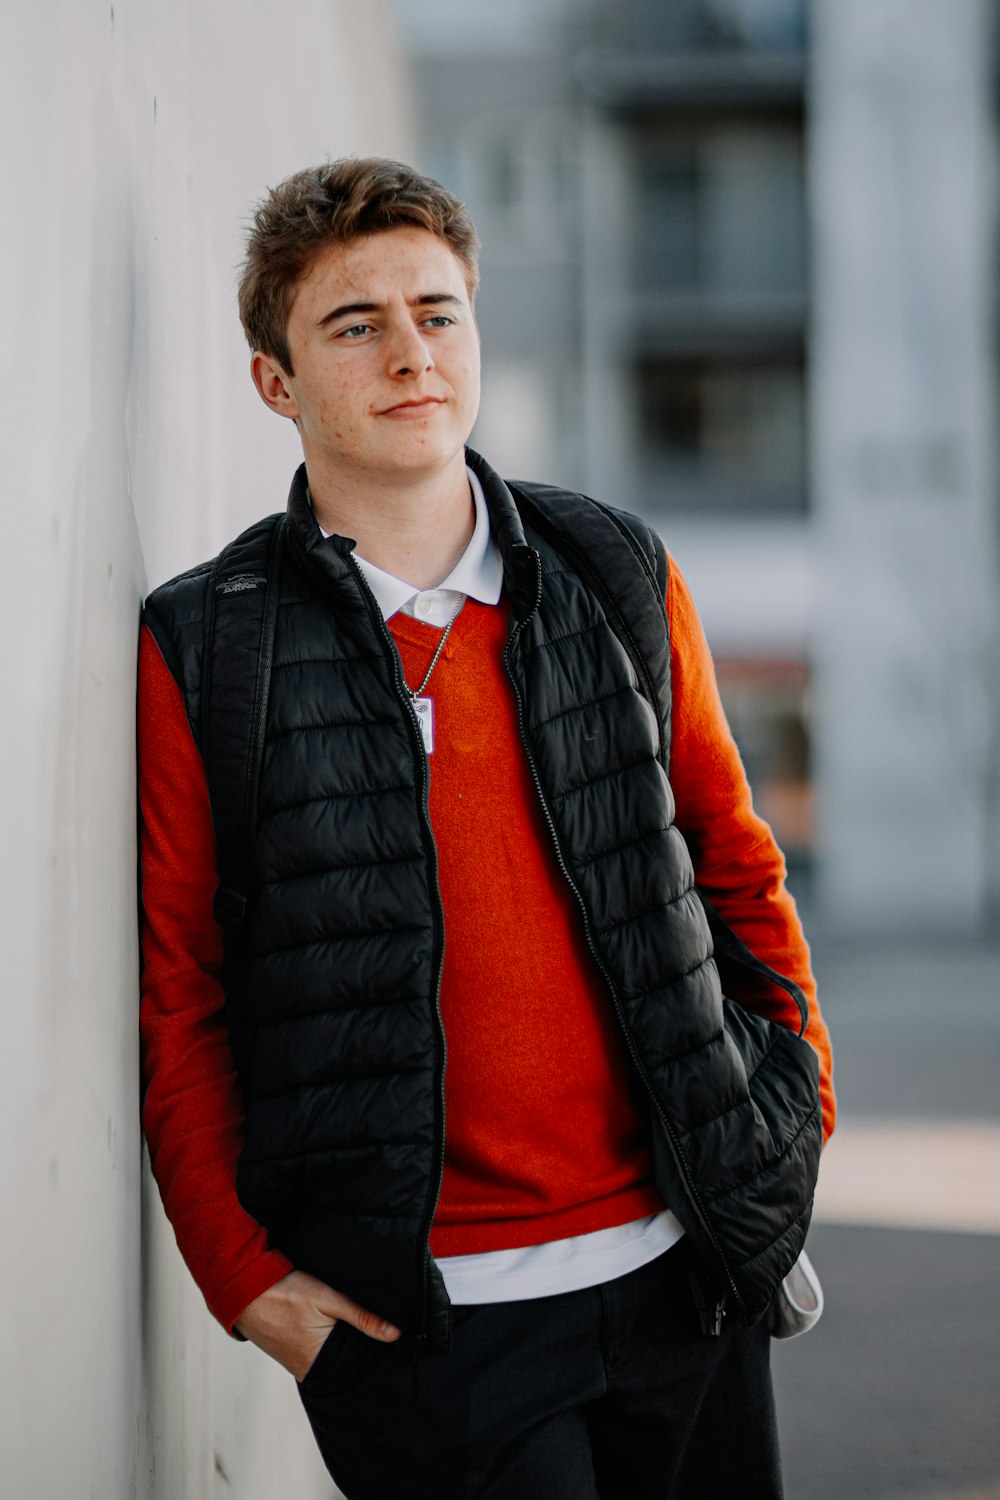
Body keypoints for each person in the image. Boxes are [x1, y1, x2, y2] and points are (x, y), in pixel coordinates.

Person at [138, 157, 835, 1499]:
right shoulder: (210, 643)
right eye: (357, 324)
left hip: (684, 1274)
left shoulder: (610, 568)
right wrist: (251, 1280)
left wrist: (790, 1110)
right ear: (277, 382)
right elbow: (183, 987)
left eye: (439, 311)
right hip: (428, 1325)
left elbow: (732, 858)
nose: (413, 353)